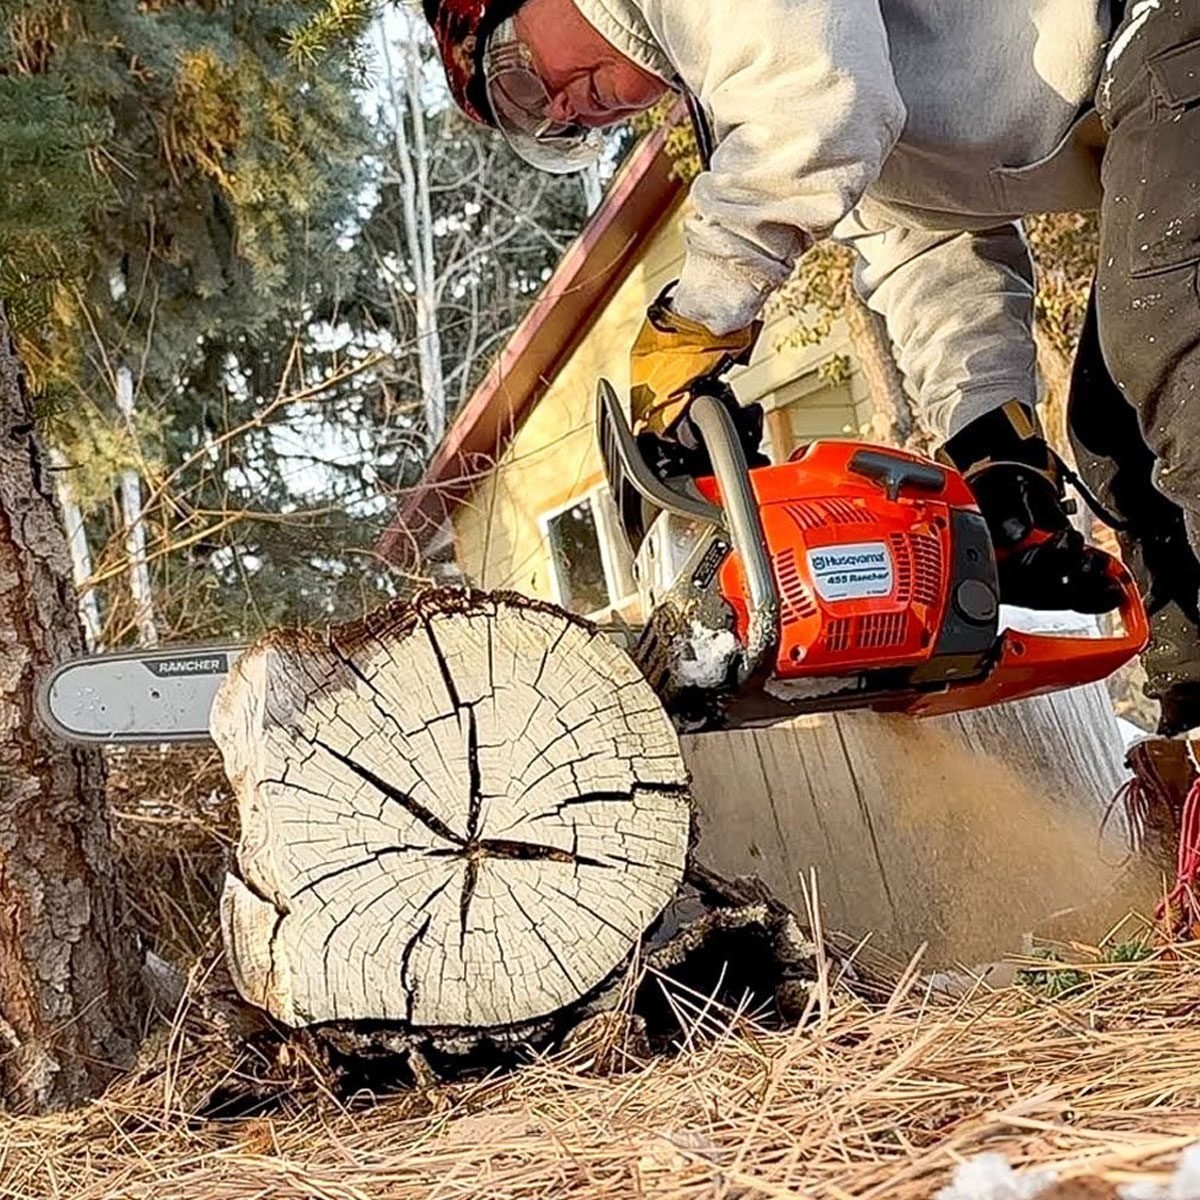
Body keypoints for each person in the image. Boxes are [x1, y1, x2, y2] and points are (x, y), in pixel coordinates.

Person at [421, 0, 1200, 736]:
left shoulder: (761, 50)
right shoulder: (759, 64)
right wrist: (994, 449)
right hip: (1137, 82)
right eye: (537, 130)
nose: (558, 110)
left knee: (1175, 339)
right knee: (1116, 434)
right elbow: (926, 242)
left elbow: (815, 107)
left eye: (518, 80)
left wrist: (699, 320)